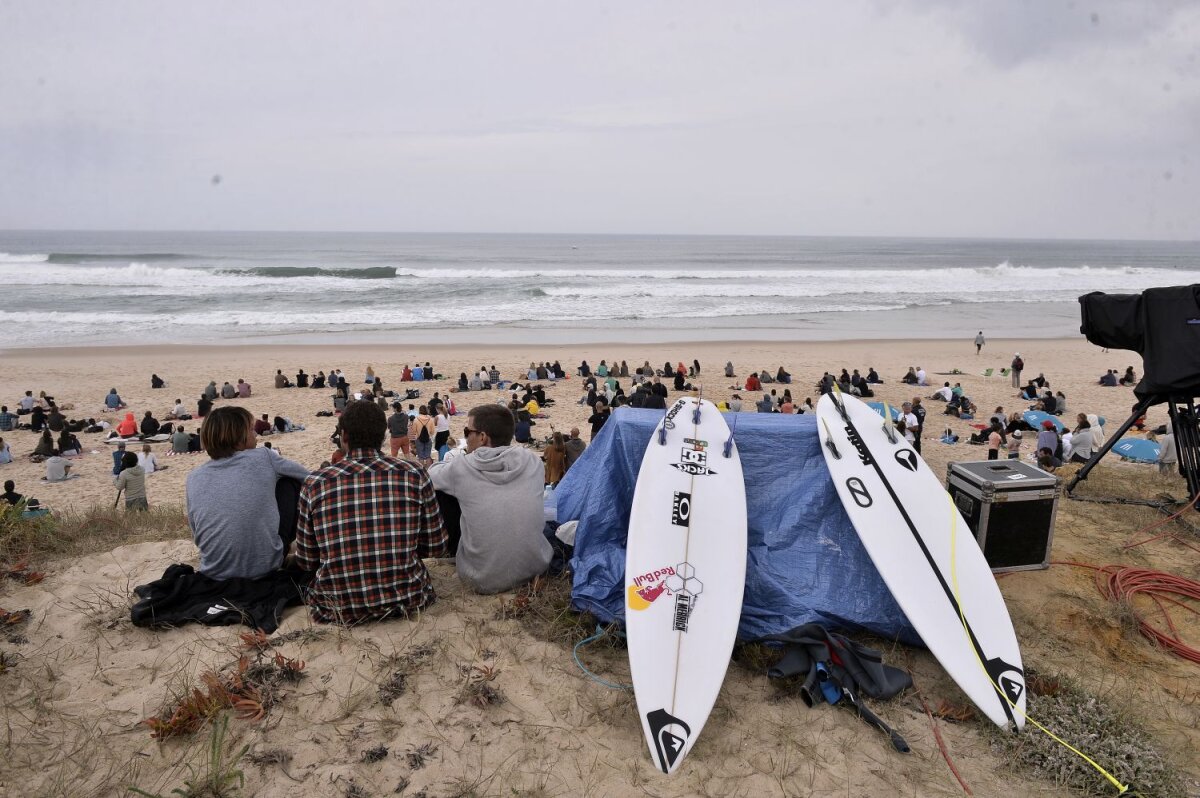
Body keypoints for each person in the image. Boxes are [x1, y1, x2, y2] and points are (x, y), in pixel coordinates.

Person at [294, 401, 446, 623]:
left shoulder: (315, 483)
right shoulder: (414, 473)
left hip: (336, 606)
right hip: (410, 598)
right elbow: (436, 545)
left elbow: (306, 560)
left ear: (343, 436)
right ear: (383, 436)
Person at [429, 404, 551, 594]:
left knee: (442, 492)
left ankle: (456, 551)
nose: (466, 436)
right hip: (536, 567)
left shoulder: (461, 467)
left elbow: (431, 475)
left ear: (483, 437)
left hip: (482, 579)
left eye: (467, 431)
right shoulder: (533, 461)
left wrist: (458, 458)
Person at [185, 406, 311, 580]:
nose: (256, 435)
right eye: (251, 430)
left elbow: (196, 532)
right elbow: (310, 479)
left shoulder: (194, 477)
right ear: (238, 437)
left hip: (213, 570)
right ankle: (287, 551)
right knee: (288, 483)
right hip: (264, 567)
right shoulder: (264, 456)